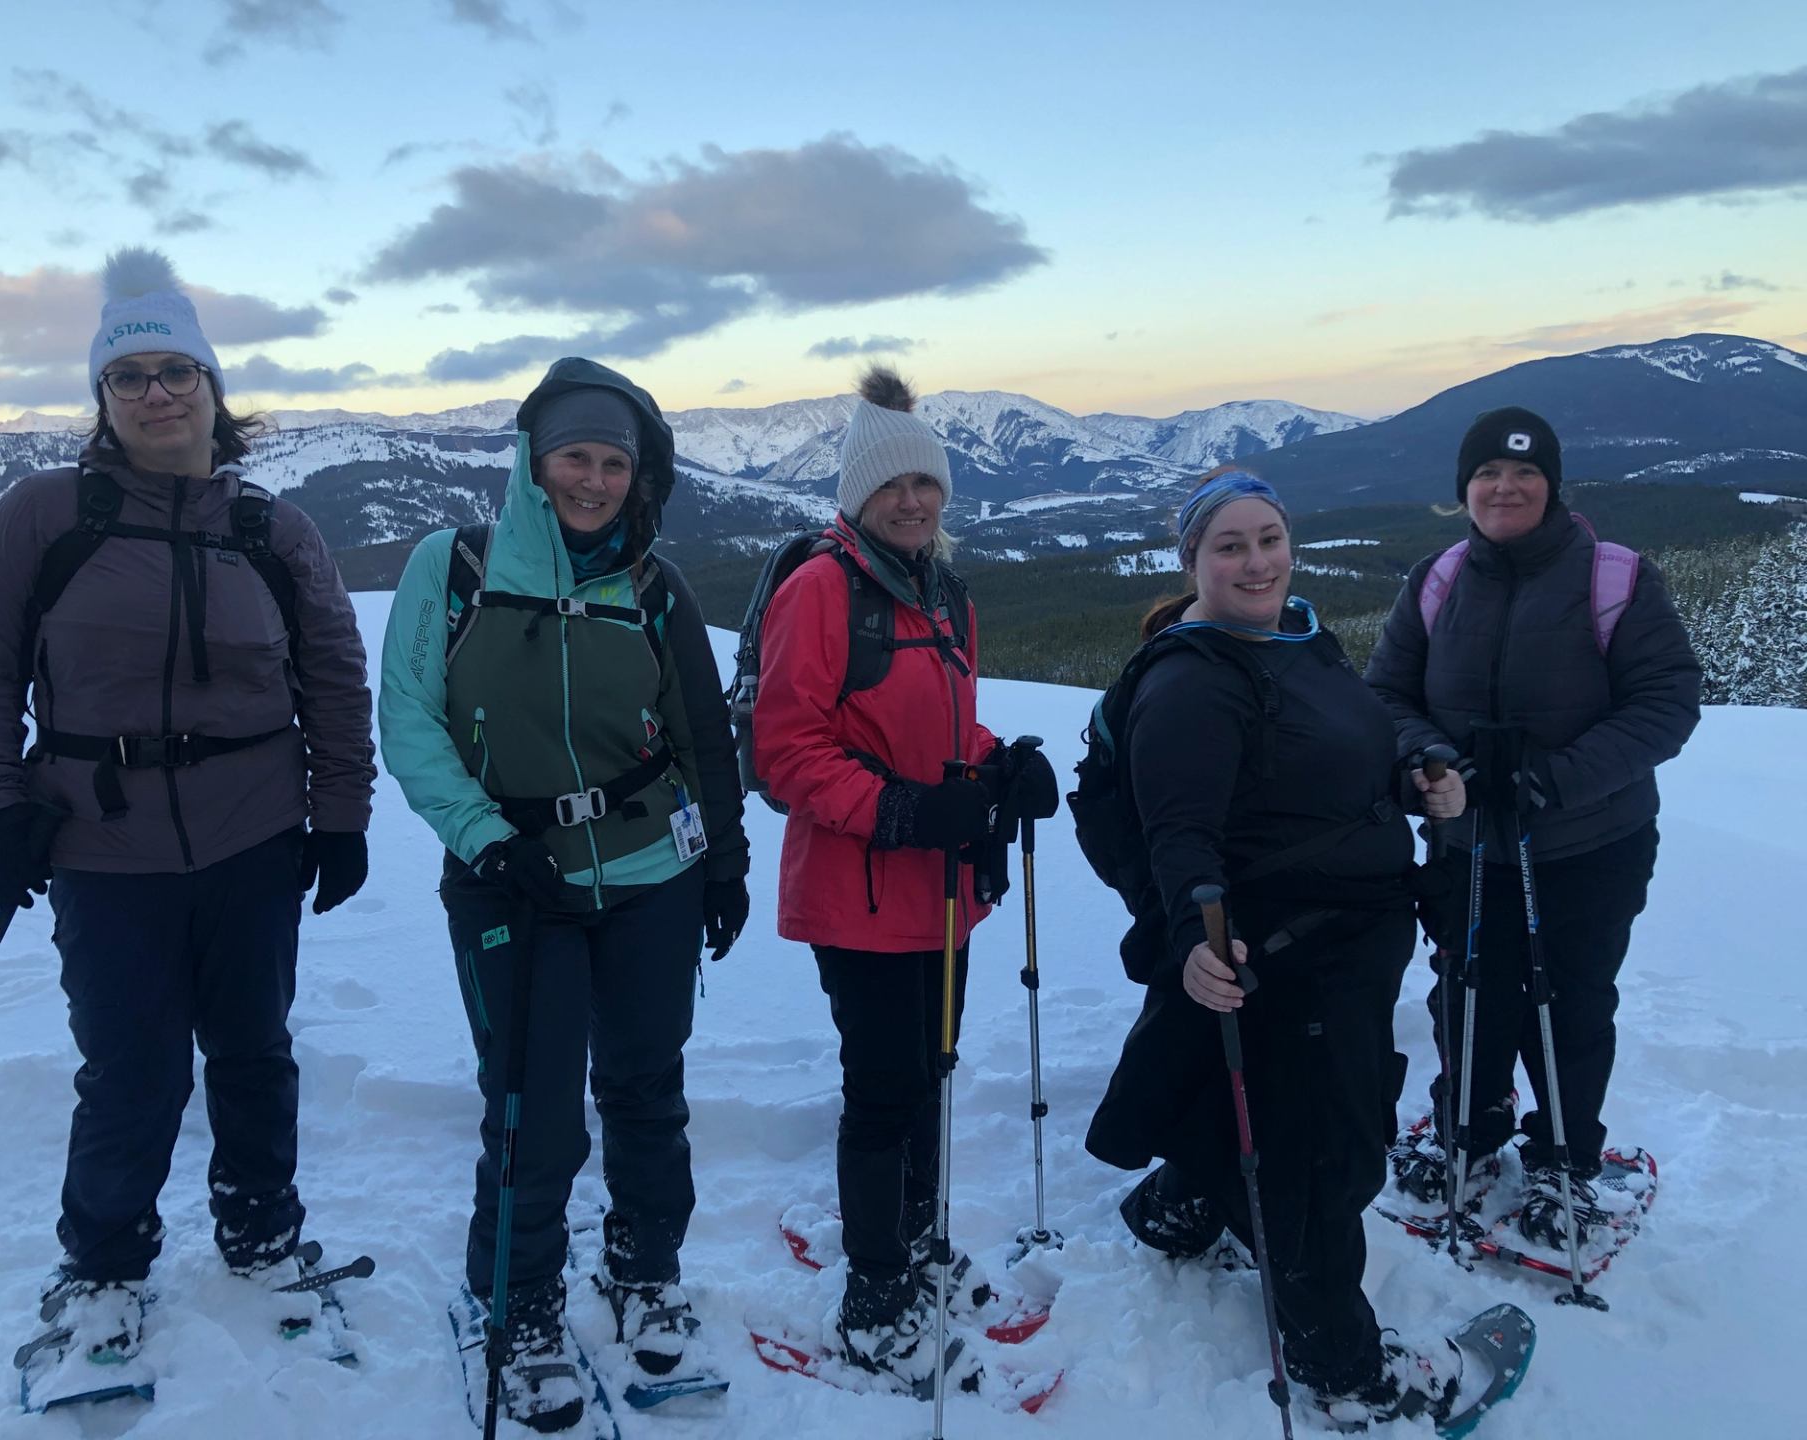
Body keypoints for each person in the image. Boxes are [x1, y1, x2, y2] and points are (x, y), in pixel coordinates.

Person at [0, 247, 376, 1360]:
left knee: (254, 1050)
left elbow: (334, 678)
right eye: (128, 378)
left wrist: (341, 816)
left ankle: (262, 1233)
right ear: (103, 398)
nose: (157, 395)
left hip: (255, 834)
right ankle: (103, 1264)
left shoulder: (273, 531)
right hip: (101, 841)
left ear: (213, 388)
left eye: (178, 372)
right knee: (131, 1066)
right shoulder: (45, 518)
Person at [378, 357, 748, 1433]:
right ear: (532, 462)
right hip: (513, 879)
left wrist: (723, 862)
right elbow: (409, 718)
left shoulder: (655, 587)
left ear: (639, 477)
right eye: (574, 458)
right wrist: (487, 841)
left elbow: (703, 735)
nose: (593, 481)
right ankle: (519, 1300)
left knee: (646, 1091)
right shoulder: (453, 569)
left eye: (613, 465)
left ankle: (644, 1268)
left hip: (651, 873)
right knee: (530, 1109)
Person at [1084, 470, 1472, 1429]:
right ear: (1193, 561)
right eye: (1230, 545)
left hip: (1345, 941)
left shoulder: (1297, 636)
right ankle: (1343, 1367)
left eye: (1269, 539)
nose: (1256, 562)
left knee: (1266, 1109)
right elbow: (1180, 834)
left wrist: (1409, 776)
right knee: (1318, 1159)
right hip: (1289, 957)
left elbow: (1331, 752)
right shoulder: (1191, 681)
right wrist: (1192, 937)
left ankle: (1179, 1208)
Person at [752, 366, 1057, 1393]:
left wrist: (1000, 761)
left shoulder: (942, 592)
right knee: (883, 1092)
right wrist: (904, 812)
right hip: (860, 896)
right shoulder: (821, 590)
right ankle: (875, 1297)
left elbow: (942, 725)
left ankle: (918, 1238)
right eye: (892, 485)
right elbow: (788, 750)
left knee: (931, 1072)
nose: (913, 500)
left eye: (926, 483)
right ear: (858, 495)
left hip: (942, 895)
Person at [1365, 407, 1700, 1249]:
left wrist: (1550, 780)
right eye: (1487, 473)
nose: (1504, 487)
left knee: (1572, 1001)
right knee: (1467, 991)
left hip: (1589, 845)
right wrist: (1433, 761)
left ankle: (1564, 1156)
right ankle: (1469, 1129)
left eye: (1524, 473)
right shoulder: (1437, 581)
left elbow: (1665, 704)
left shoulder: (1617, 579)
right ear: (1464, 489)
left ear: (1553, 485)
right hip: (1466, 843)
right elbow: (1386, 697)